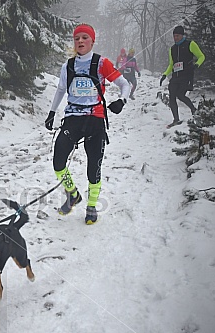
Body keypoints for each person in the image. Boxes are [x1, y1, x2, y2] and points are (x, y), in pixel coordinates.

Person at [44, 24, 130, 224]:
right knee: (58, 163)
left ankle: (91, 206)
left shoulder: (102, 63)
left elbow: (124, 84)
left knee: (94, 167)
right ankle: (72, 193)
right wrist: (51, 113)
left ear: (92, 41)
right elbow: (60, 90)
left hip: (95, 120)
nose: (80, 41)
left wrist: (121, 101)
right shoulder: (68, 65)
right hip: (72, 118)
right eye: (77, 38)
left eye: (84, 37)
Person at [159, 25, 205, 128]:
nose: (175, 38)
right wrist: (165, 74)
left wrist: (197, 64)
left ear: (182, 35)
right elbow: (171, 64)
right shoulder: (172, 49)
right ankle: (176, 119)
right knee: (172, 97)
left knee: (180, 95)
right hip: (176, 76)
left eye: (178, 36)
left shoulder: (190, 44)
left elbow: (201, 56)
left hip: (186, 75)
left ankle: (194, 110)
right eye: (174, 36)